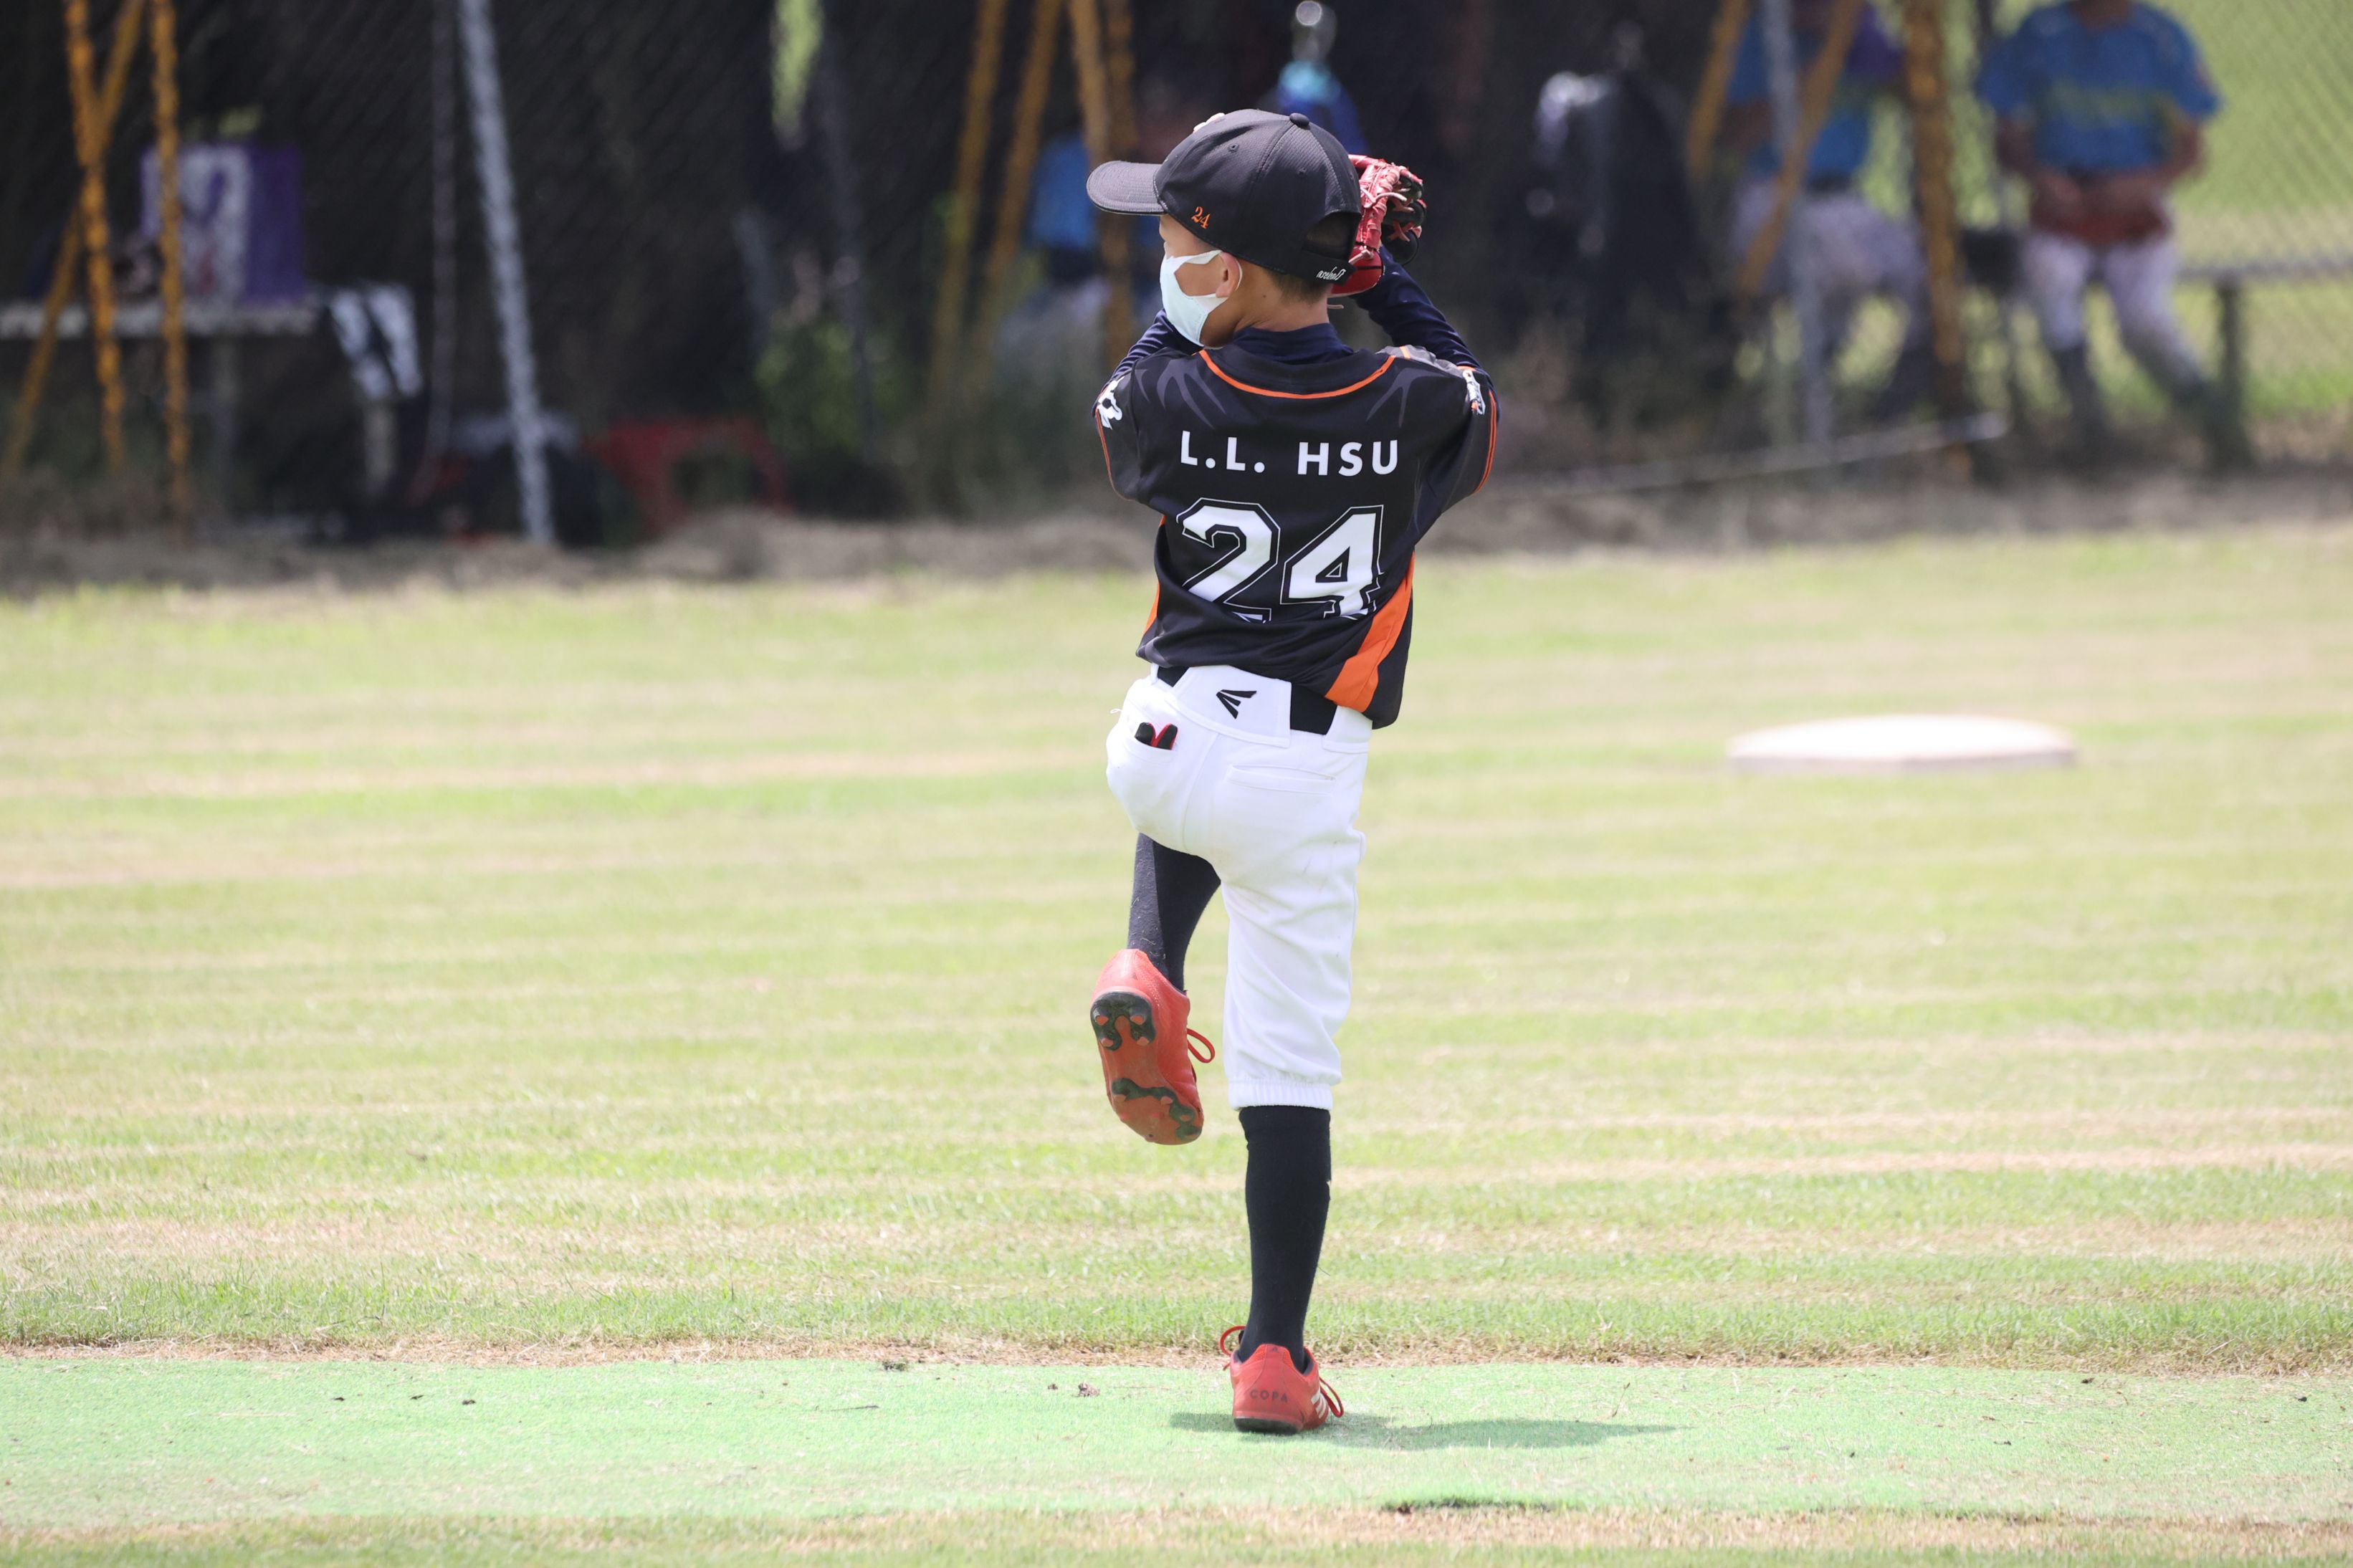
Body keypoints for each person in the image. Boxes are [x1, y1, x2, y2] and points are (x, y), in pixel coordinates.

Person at [1081, 109, 1496, 1435]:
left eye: (1179, 242)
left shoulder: (1171, 391)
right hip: (1299, 775)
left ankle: (1149, 957)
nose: (1166, 262)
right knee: (1287, 1076)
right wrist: (1374, 272)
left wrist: (1209, 300)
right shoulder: (1406, 403)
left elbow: (1137, 380)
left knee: (1187, 804)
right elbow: (1465, 380)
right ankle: (1272, 1354)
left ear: (1232, 270)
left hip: (1159, 743)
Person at [1976, 0, 2246, 467]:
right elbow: (2007, 138)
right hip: (2060, 209)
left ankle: (2218, 426)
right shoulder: (2040, 33)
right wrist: (2041, 178)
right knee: (2049, 276)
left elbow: (2191, 151)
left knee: (2145, 318)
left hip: (2136, 209)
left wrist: (2144, 184)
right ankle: (2091, 430)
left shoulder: (2161, 38)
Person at [1722, 0, 1937, 419]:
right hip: (1773, 197)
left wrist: (1885, 54)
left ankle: (1886, 409)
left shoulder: (1858, 40)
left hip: (1845, 199)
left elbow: (1918, 100)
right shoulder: (1760, 39)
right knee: (1845, 264)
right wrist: (1804, 82)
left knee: (1926, 271)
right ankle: (1811, 399)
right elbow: (1735, 137)